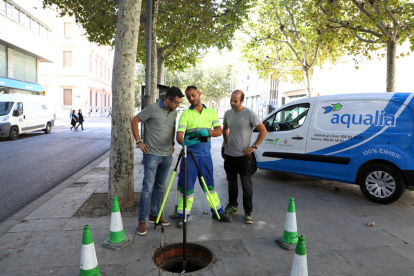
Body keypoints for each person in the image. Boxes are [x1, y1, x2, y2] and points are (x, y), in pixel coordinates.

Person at [173, 85, 232, 228]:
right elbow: (179, 135)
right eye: (188, 97)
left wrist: (208, 132)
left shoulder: (211, 112)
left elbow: (219, 131)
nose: (191, 99)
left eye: (193, 95)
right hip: (190, 156)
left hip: (205, 156)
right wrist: (183, 142)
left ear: (199, 94)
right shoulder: (186, 114)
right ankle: (183, 214)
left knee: (209, 185)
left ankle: (217, 211)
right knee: (186, 186)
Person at [130, 86, 184, 236]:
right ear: (168, 99)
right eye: (176, 102)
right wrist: (139, 142)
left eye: (179, 103)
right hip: (152, 154)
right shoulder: (152, 109)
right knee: (147, 187)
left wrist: (173, 143)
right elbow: (134, 121)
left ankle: (155, 215)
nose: (177, 105)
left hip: (167, 155)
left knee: (159, 187)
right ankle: (141, 221)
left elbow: (173, 126)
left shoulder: (173, 112)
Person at [222, 90, 267, 224]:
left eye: (235, 101)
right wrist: (225, 142)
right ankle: (232, 206)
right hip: (229, 156)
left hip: (243, 157)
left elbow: (263, 131)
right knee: (231, 184)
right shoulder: (228, 114)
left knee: (246, 186)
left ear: (242, 101)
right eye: (231, 100)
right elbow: (225, 129)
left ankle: (248, 212)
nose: (232, 103)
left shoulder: (250, 114)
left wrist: (254, 146)